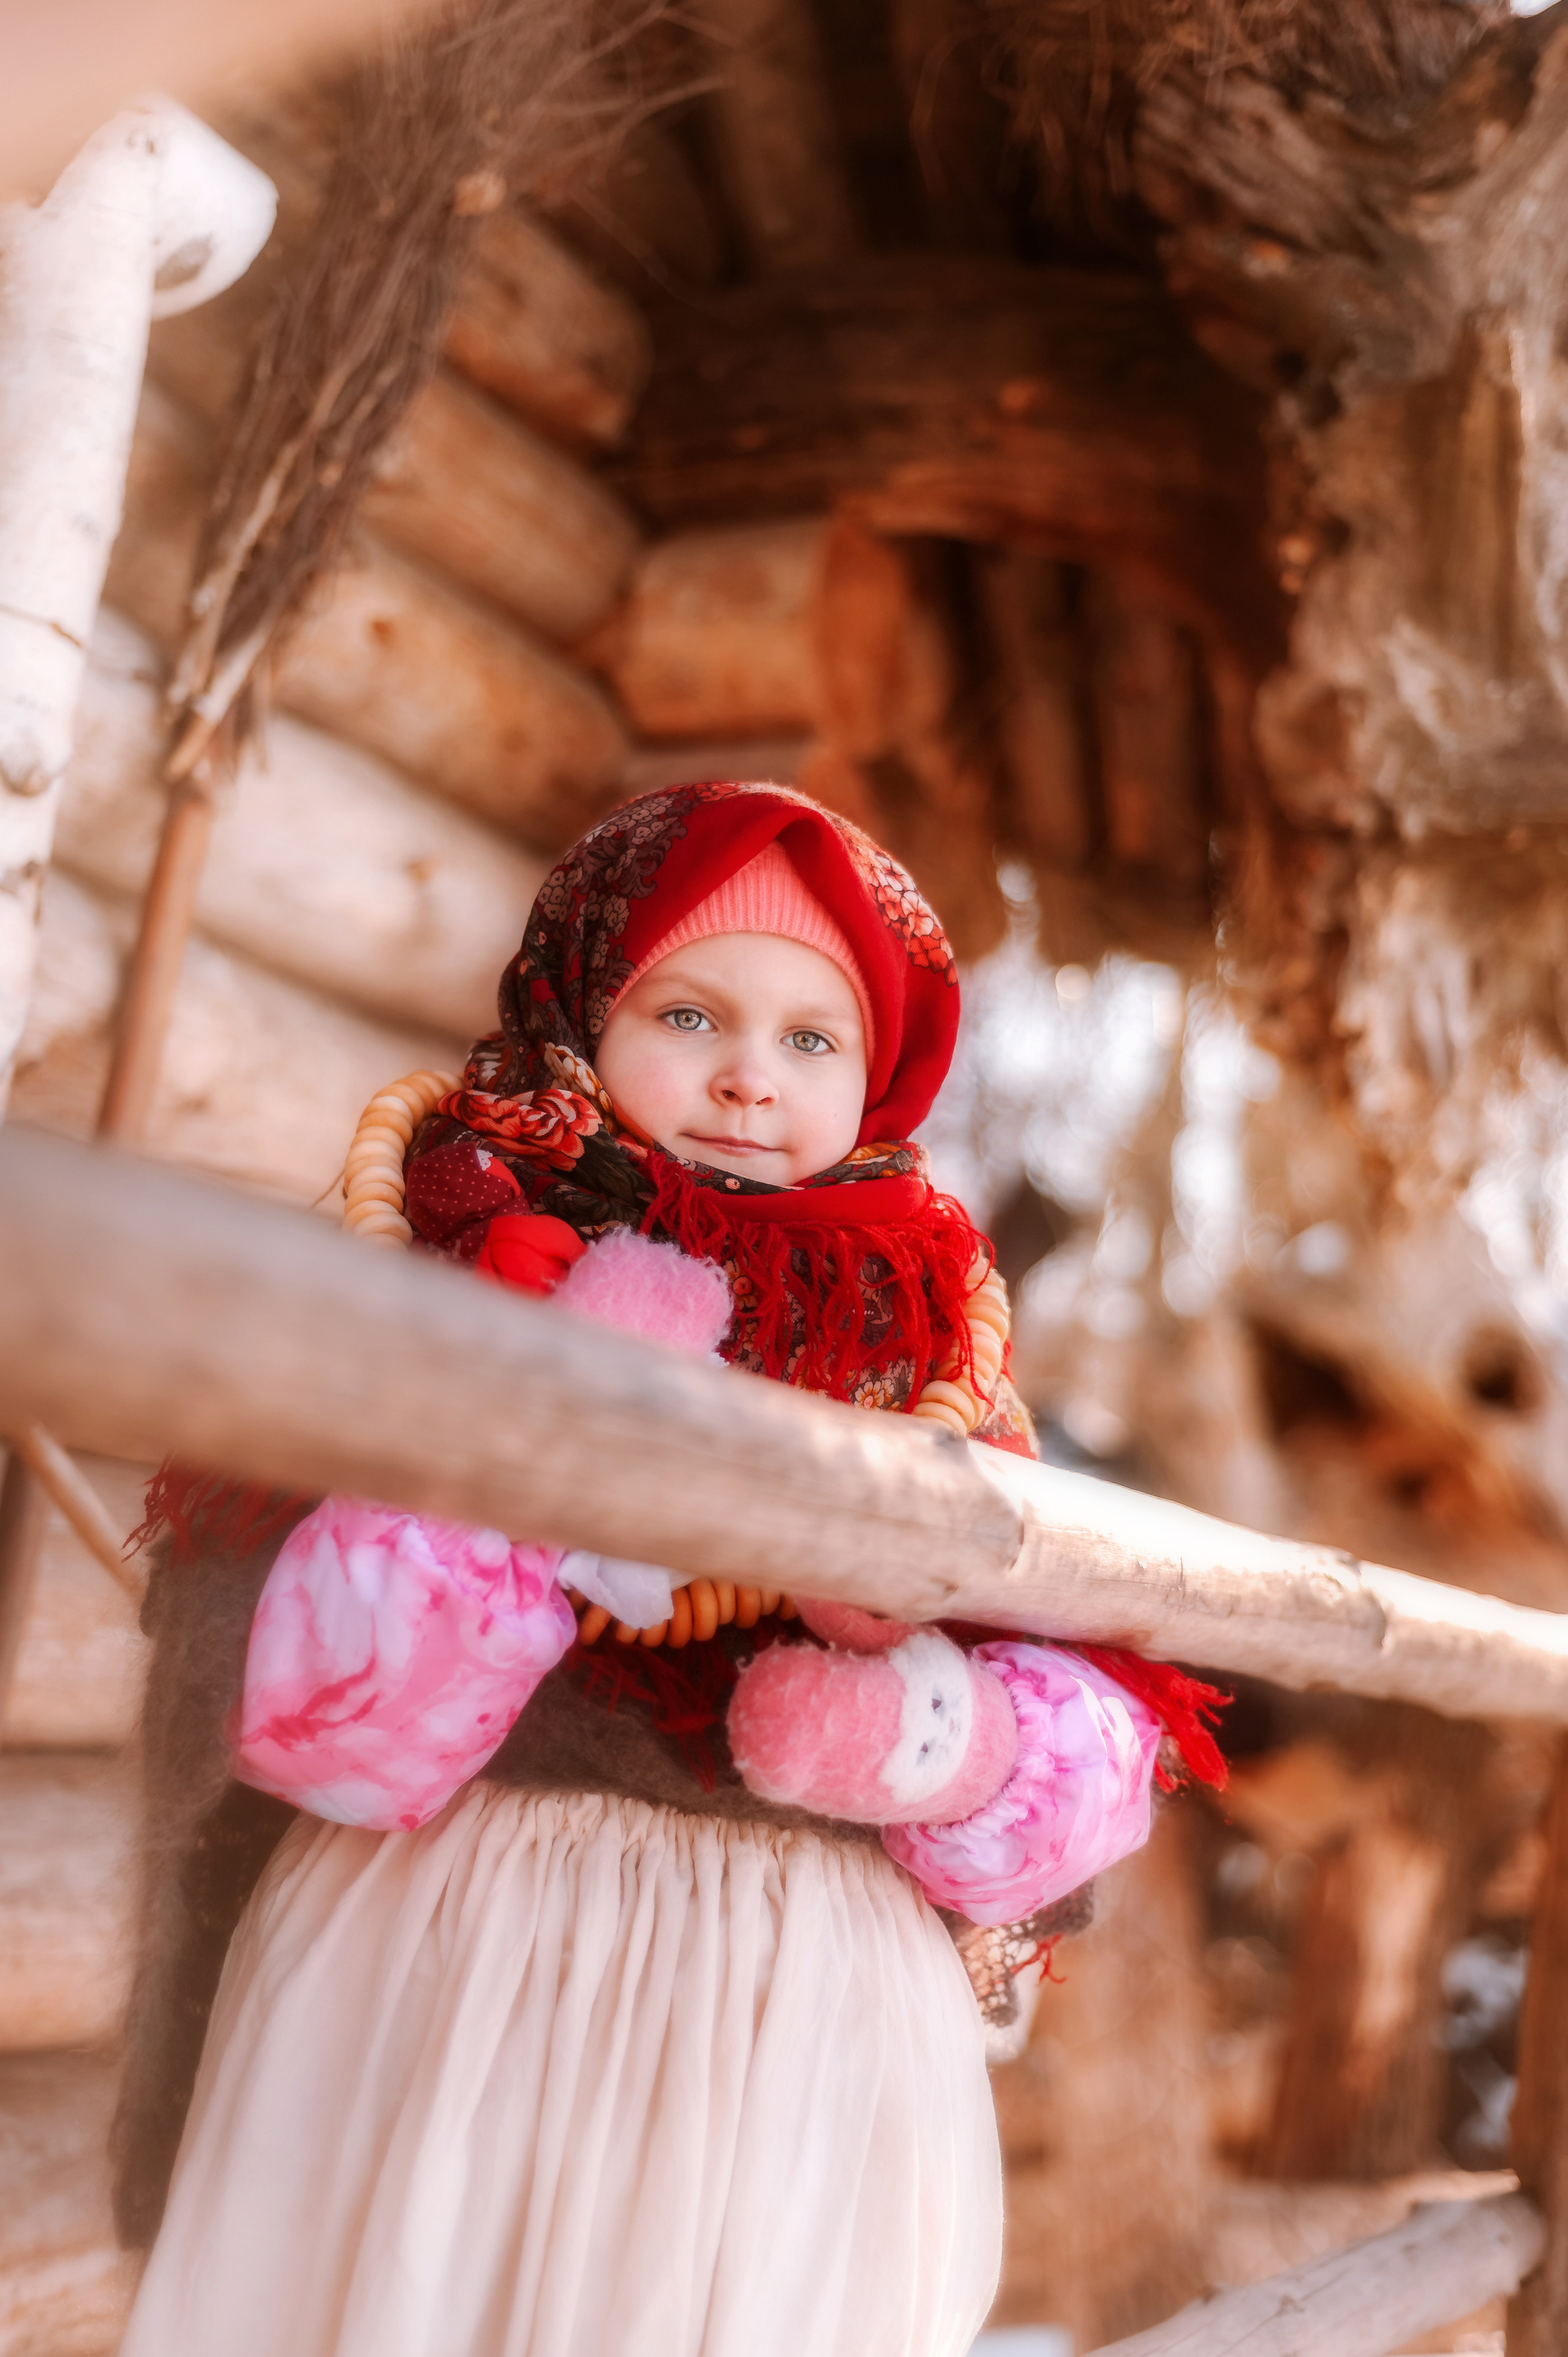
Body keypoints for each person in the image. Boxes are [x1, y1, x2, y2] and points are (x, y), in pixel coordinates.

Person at [113, 782, 1222, 2357]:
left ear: (876, 1074)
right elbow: (285, 1695)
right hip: (467, 1941)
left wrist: (937, 1736)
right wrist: (540, 1444)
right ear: (581, 1012)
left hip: (803, 1998)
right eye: (689, 1013)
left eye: (810, 1038)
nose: (748, 1075)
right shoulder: (461, 1230)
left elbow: (1067, 1689)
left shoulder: (926, 1326)